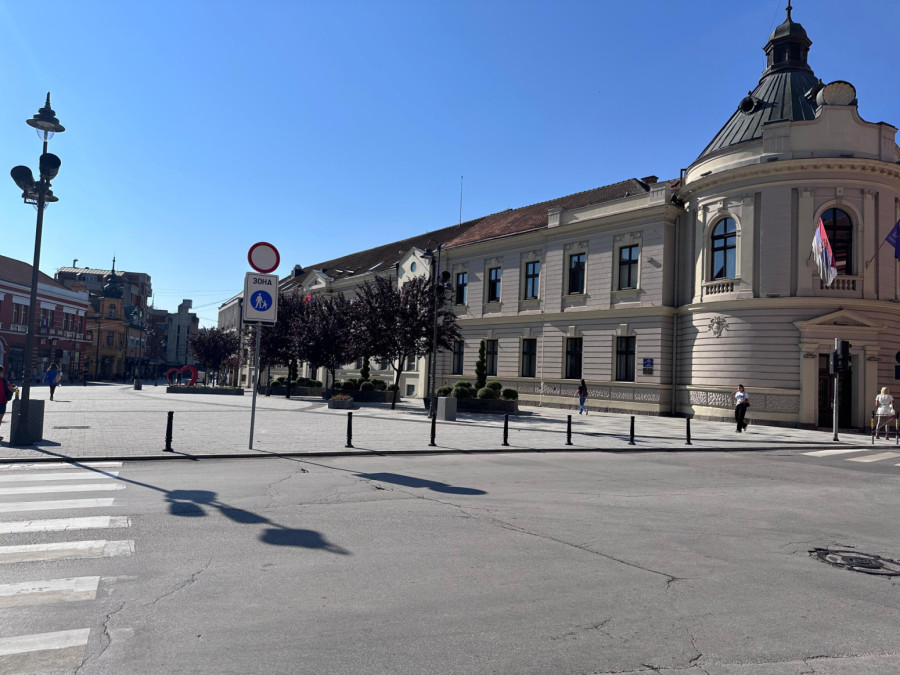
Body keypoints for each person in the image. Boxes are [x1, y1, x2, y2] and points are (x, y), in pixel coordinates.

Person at [0, 366, 18, 442]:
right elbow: (12, 389)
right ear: (1, 372)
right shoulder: (4, 381)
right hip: (1, 402)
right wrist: (16, 388)